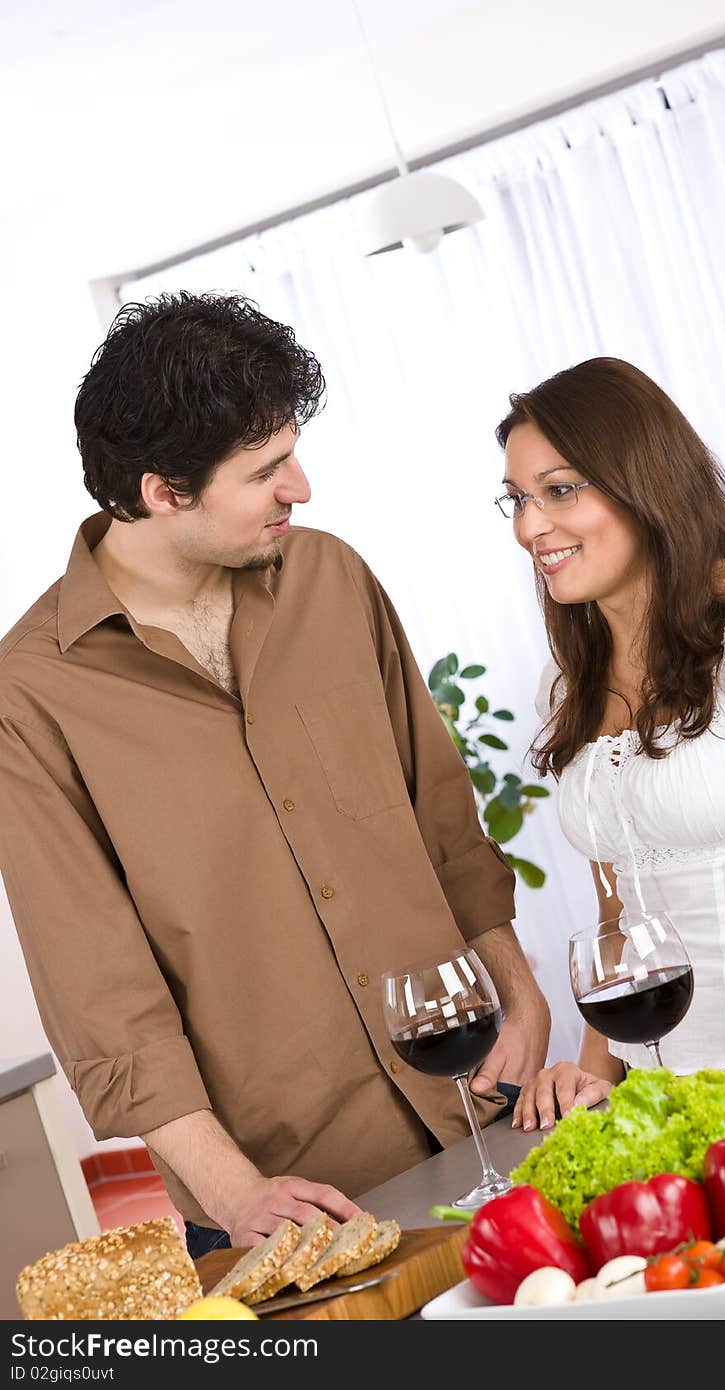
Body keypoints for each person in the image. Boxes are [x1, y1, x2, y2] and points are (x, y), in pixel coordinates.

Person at [0, 292, 549, 1257]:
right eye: (265, 470)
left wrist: (522, 991)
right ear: (164, 491)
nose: (301, 485)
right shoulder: (31, 695)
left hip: (487, 1111)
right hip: (294, 1202)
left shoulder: (332, 579)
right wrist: (238, 1194)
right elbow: (99, 988)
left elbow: (438, 813)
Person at [491, 357, 725, 1133]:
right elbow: (623, 916)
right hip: (655, 1109)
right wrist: (590, 1073)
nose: (531, 526)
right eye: (517, 499)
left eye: (560, 490)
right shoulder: (568, 683)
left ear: (645, 482)